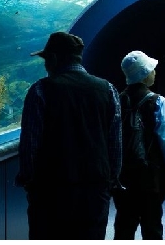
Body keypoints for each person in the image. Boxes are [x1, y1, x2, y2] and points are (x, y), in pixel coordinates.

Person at [15, 31, 122, 240]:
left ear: (54, 58)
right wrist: (110, 181)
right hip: (94, 191)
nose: (46, 65)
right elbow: (115, 143)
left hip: (51, 193)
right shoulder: (108, 89)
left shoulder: (40, 90)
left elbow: (30, 144)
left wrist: (28, 180)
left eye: (46, 59)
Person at [113, 50, 165, 240]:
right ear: (144, 74)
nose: (155, 72)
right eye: (152, 69)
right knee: (152, 227)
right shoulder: (157, 101)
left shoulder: (116, 100)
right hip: (150, 176)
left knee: (124, 226)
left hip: (123, 175)